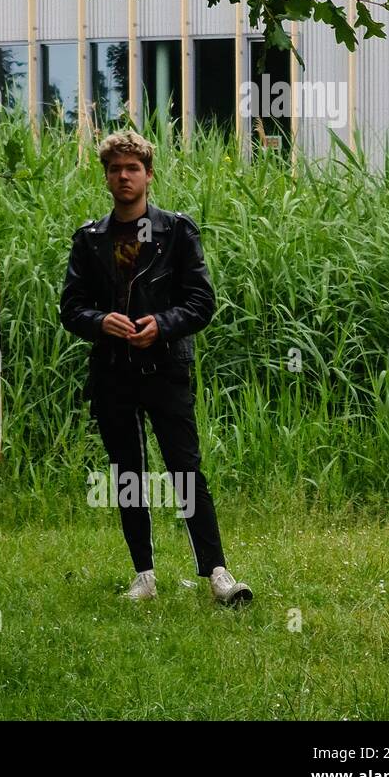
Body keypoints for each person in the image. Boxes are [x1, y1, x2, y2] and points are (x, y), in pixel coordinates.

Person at [59, 129, 250, 606]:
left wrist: (161, 325)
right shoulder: (90, 238)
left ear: (148, 174)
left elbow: (201, 302)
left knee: (187, 470)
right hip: (112, 372)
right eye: (114, 169)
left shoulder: (177, 232)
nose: (123, 177)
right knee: (128, 475)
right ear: (105, 177)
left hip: (166, 368)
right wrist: (102, 321)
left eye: (132, 168)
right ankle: (144, 575)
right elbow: (70, 307)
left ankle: (218, 573)